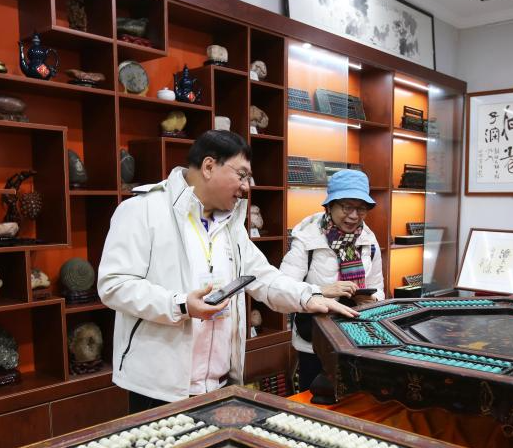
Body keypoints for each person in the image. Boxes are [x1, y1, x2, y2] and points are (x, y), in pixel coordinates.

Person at [97, 130, 357, 410]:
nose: (246, 187)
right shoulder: (143, 210)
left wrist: (308, 297)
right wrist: (181, 305)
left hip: (219, 383)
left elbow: (264, 277)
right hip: (159, 387)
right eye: (242, 175)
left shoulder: (230, 225)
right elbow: (114, 285)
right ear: (209, 166)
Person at [280, 169, 384, 391]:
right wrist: (324, 290)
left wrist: (372, 300)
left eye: (361, 208)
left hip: (358, 339)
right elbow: (283, 289)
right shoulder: (307, 238)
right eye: (347, 207)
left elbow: (378, 286)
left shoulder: (368, 240)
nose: (354, 216)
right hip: (315, 342)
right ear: (330, 205)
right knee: (313, 402)